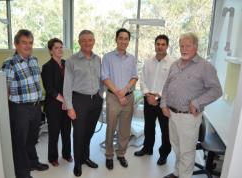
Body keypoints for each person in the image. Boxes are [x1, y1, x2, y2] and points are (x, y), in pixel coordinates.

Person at [160, 32, 222, 178]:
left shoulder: (205, 67)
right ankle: (177, 173)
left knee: (187, 152)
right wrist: (163, 104)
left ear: (196, 46)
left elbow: (216, 90)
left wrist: (197, 102)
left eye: (188, 46)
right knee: (177, 148)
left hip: (189, 118)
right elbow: (166, 86)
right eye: (182, 46)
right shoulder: (175, 64)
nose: (184, 49)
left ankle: (184, 175)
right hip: (172, 114)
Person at [1, 29, 49, 178]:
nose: (28, 46)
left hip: (35, 107)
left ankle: (33, 162)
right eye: (24, 43)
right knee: (19, 142)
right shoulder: (9, 64)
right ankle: (22, 173)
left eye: (30, 43)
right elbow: (4, 90)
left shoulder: (34, 60)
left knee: (32, 138)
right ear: (16, 44)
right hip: (19, 109)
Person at [63, 30, 103, 177]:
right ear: (79, 42)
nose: (87, 42)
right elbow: (67, 86)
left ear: (94, 41)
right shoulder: (71, 61)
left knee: (89, 132)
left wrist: (101, 95)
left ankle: (85, 157)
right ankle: (78, 163)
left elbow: (101, 79)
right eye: (84, 40)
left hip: (95, 100)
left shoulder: (98, 59)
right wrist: (70, 107)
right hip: (79, 100)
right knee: (79, 134)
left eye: (90, 40)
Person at [134, 35, 175, 166]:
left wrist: (158, 96)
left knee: (165, 130)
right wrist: (147, 95)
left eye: (163, 44)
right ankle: (147, 149)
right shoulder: (148, 61)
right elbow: (143, 79)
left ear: (167, 46)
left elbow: (173, 83)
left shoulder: (173, 63)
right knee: (149, 126)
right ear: (155, 45)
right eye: (158, 44)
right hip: (148, 99)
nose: (160, 46)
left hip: (165, 101)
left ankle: (164, 154)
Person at [101, 28, 138, 170]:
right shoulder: (108, 57)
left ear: (129, 41)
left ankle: (121, 153)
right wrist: (118, 93)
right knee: (110, 127)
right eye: (120, 38)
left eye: (126, 38)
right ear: (116, 39)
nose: (123, 41)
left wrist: (125, 91)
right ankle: (109, 155)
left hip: (128, 98)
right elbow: (105, 77)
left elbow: (134, 77)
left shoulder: (132, 58)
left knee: (125, 128)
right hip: (113, 97)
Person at [41, 38, 72, 167]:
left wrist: (68, 101)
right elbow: (50, 89)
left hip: (66, 104)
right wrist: (64, 100)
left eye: (61, 47)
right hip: (54, 105)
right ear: (51, 51)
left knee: (66, 131)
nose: (60, 50)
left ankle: (66, 154)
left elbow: (71, 84)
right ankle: (52, 157)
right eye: (56, 48)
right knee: (54, 133)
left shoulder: (66, 64)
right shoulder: (47, 67)